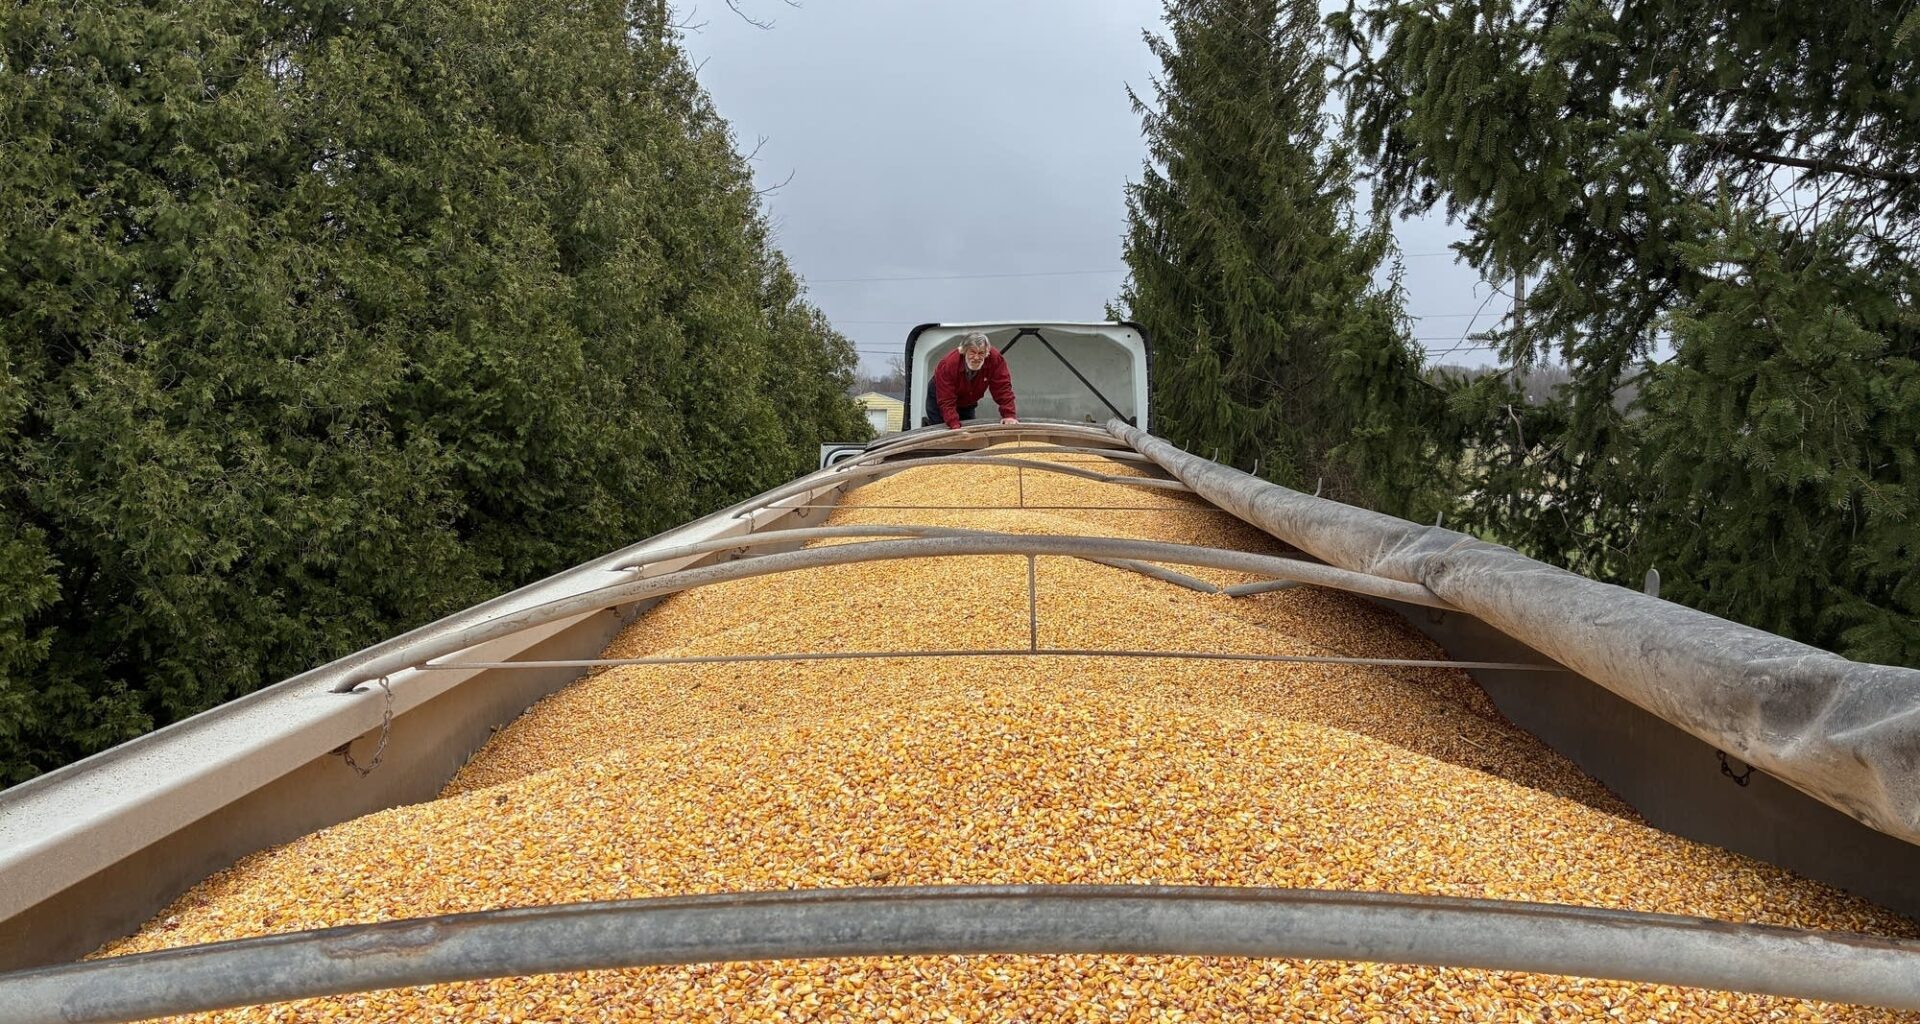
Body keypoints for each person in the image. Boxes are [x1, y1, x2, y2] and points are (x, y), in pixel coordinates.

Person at [924, 331, 1019, 429]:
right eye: (972, 352)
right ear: (964, 351)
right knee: (943, 431)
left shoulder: (995, 359)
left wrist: (1009, 415)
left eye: (981, 353)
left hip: (968, 401)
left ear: (987, 353)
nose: (976, 357)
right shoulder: (948, 364)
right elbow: (946, 400)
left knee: (969, 430)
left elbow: (1002, 388)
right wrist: (954, 425)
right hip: (941, 399)